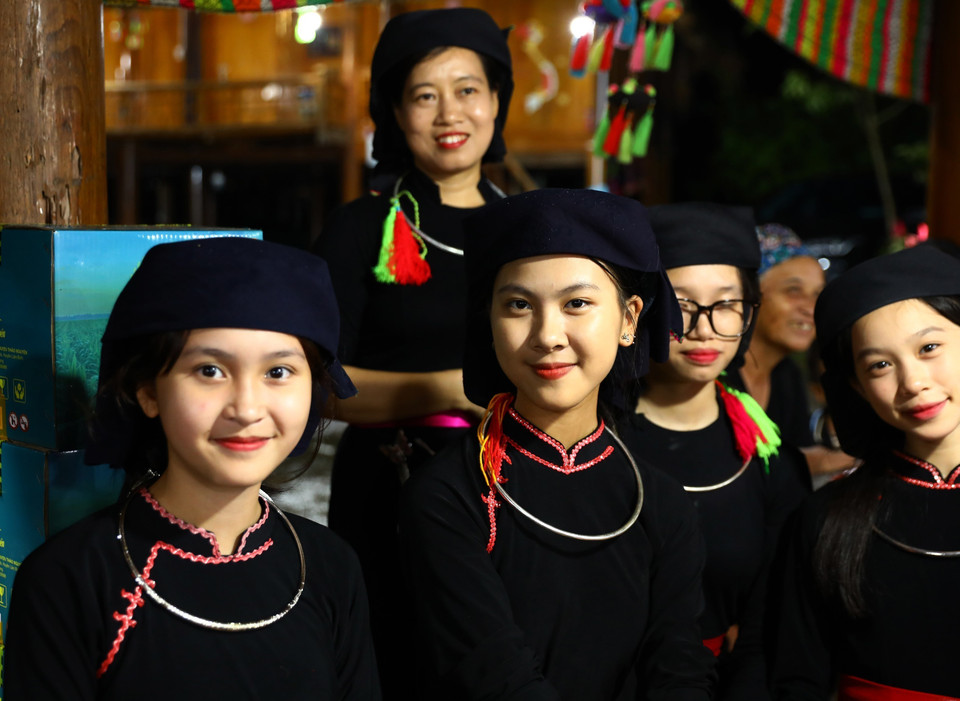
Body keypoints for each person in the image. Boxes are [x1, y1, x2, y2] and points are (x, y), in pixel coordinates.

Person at [3, 237, 379, 700]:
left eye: (278, 372)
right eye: (209, 371)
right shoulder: (67, 579)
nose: (247, 408)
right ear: (148, 391)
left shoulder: (330, 565)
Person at [399, 189, 717, 700]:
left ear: (630, 320)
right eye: (519, 305)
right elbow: (494, 675)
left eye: (577, 304)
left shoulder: (660, 501)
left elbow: (677, 664)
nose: (548, 335)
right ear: (490, 321)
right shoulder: (449, 498)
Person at [312, 9, 513, 694]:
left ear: (496, 102)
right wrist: (451, 390)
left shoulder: (532, 227)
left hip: (515, 487)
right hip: (388, 492)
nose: (448, 111)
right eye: (424, 94)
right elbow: (321, 385)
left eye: (468, 89)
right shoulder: (361, 227)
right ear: (396, 113)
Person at [624, 203, 811, 700]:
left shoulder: (768, 461)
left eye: (726, 304)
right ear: (636, 311)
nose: (703, 328)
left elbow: (765, 631)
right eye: (680, 304)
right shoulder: (598, 441)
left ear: (749, 310)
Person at [768, 244, 960, 699]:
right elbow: (795, 678)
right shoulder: (825, 518)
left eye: (929, 347)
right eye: (880, 365)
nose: (913, 381)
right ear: (856, 386)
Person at [726, 223, 852, 480]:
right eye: (793, 291)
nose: (810, 308)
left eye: (818, 294)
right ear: (750, 295)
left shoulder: (786, 377)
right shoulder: (714, 375)